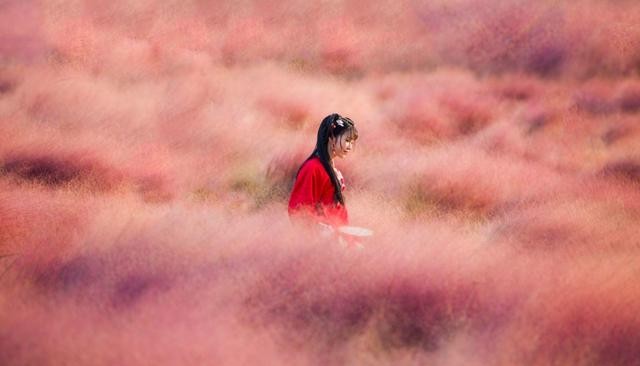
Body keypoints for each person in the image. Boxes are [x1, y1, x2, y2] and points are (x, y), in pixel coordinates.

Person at [288, 113, 358, 229]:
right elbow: (299, 210)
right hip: (317, 240)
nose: (350, 146)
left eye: (352, 142)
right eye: (347, 140)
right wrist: (320, 229)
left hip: (335, 238)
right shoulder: (312, 168)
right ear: (331, 138)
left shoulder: (333, 170)